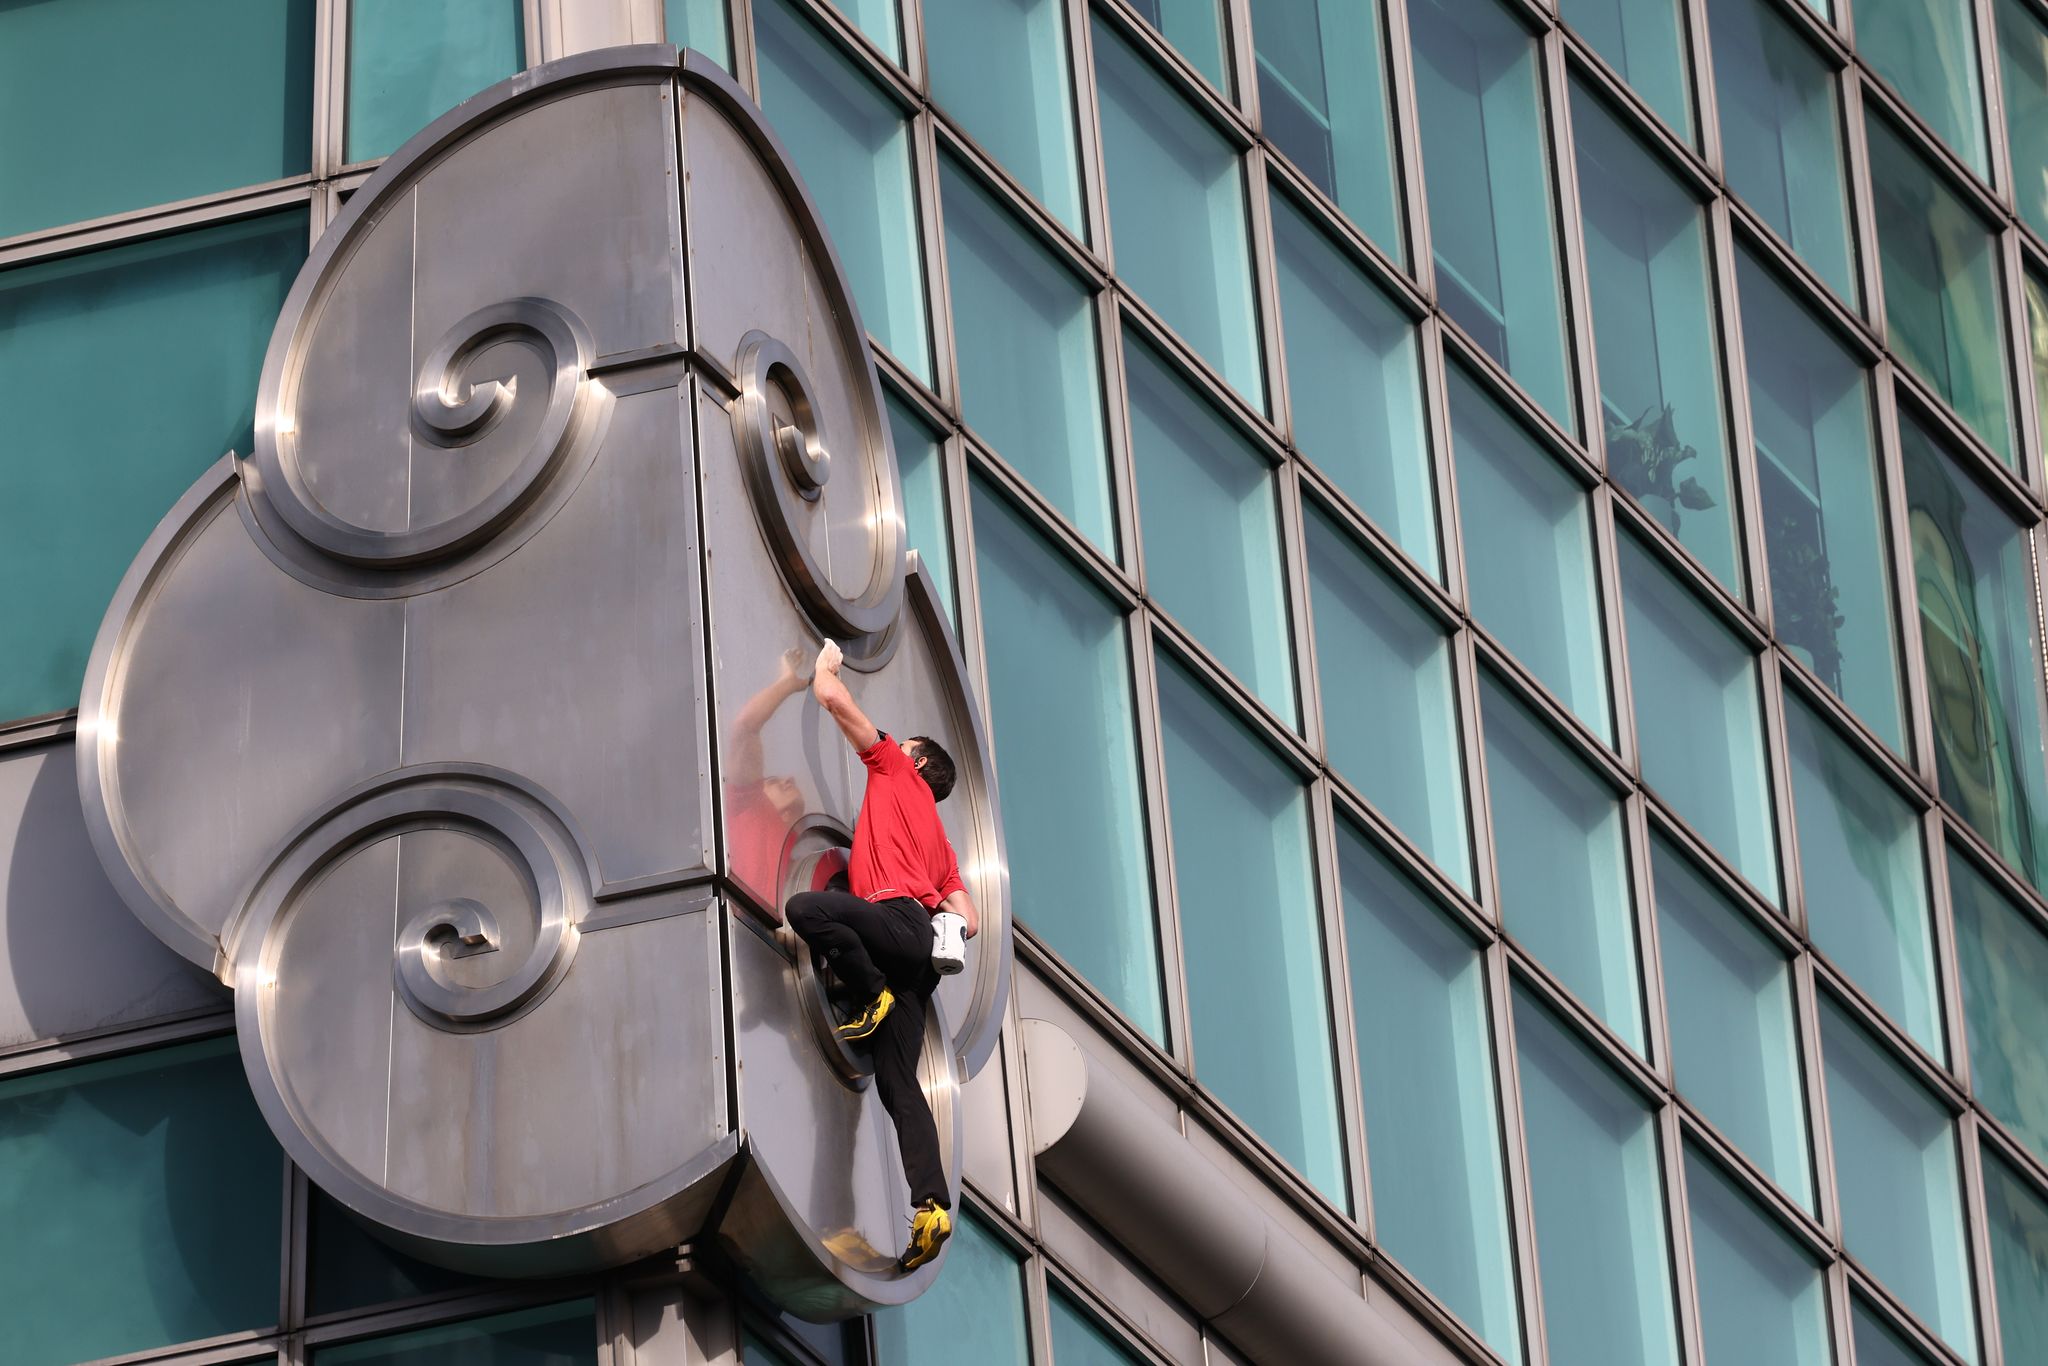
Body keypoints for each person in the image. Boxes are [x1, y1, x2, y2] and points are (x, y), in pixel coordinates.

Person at [784, 640, 979, 1273]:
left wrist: (826, 663)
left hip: (894, 922)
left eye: (905, 745)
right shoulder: (942, 845)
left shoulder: (895, 768)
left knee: (807, 910)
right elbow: (970, 918)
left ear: (915, 760)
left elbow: (832, 698)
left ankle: (871, 994)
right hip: (921, 958)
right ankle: (932, 1207)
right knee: (899, 1085)